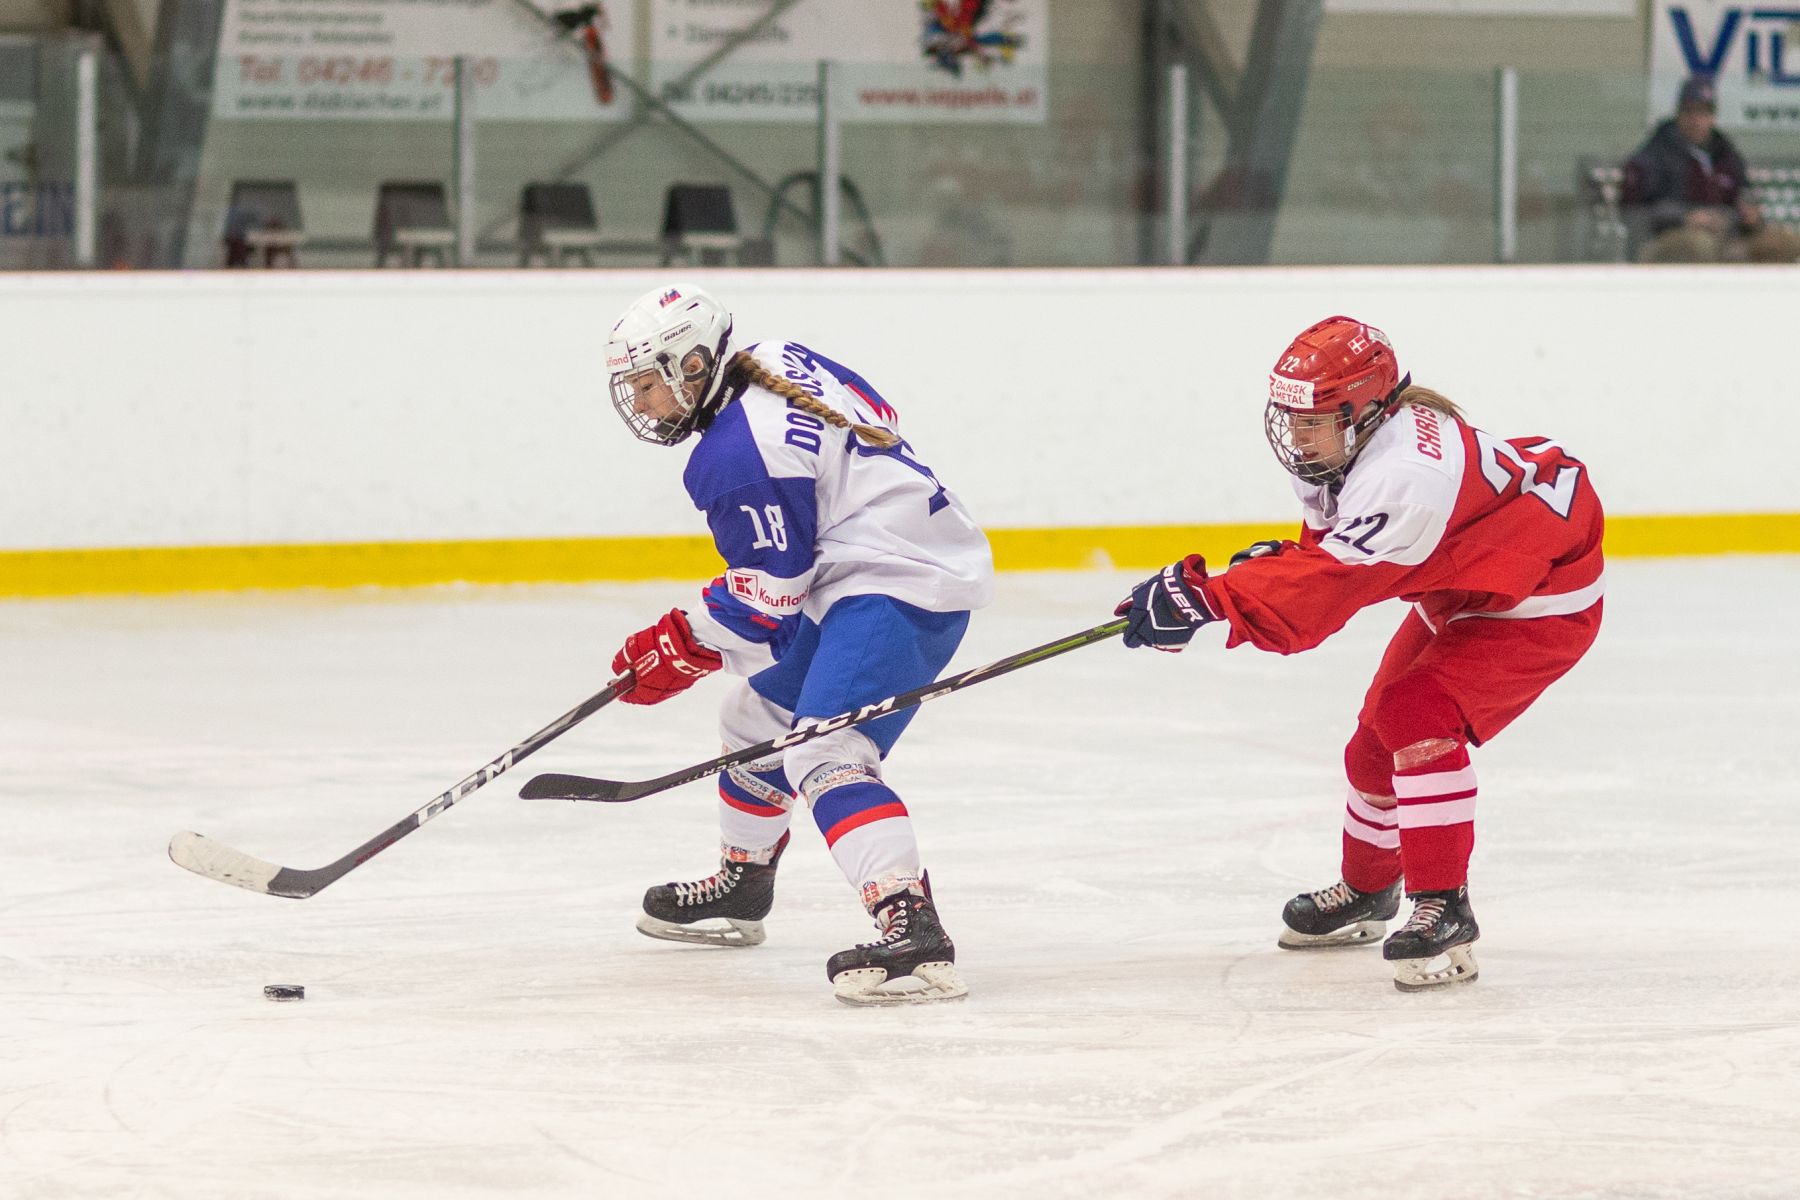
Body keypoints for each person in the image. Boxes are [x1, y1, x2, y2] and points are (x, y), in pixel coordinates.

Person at [1114, 316, 1604, 992]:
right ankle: (1369, 890)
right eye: (1288, 418)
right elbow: (1326, 559)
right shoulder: (1343, 451)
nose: (1295, 435)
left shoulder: (1408, 475)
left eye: (1311, 419)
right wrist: (1251, 579)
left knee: (1416, 711)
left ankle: (1444, 905)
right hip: (1469, 583)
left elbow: (1327, 593)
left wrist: (1214, 597)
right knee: (1373, 744)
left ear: (1366, 411)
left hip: (1539, 598)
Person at [599, 283, 993, 1006]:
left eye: (650, 385)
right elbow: (880, 417)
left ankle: (912, 926)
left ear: (692, 366)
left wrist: (680, 641)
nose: (644, 404)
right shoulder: (774, 357)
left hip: (897, 585)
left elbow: (767, 597)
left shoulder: (733, 456)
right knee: (755, 722)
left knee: (823, 748)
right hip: (884, 564)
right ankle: (744, 882)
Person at [1621, 74, 1800, 264]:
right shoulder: (1656, 153)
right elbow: (1637, 210)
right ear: (1678, 114)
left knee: (1784, 243)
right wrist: (1686, 216)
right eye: (1689, 112)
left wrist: (1749, 216)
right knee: (1701, 245)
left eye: (1703, 113)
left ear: (1713, 117)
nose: (1696, 120)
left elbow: (1743, 197)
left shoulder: (1725, 153)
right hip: (1669, 238)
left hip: (1725, 235)